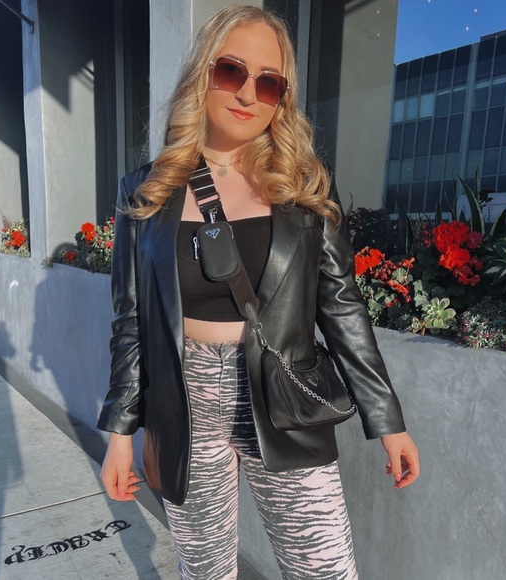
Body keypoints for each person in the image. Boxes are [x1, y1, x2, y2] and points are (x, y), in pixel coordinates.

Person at [97, 5, 419, 579]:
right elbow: (131, 320)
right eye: (231, 71)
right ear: (202, 74)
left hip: (285, 394)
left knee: (324, 570)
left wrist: (386, 416)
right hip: (183, 402)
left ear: (281, 99)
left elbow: (342, 307)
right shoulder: (145, 191)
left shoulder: (303, 186)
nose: (248, 92)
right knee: (206, 572)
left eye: (269, 82)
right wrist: (120, 432)